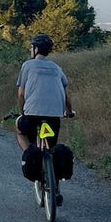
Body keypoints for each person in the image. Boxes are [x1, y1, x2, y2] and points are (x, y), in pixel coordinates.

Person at [15, 34, 75, 203]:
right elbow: (65, 95)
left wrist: (23, 112)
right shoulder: (57, 68)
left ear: (35, 49)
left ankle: (30, 154)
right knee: (52, 147)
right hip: (54, 115)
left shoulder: (27, 65)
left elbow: (21, 93)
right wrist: (69, 112)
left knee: (20, 131)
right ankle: (55, 187)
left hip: (32, 114)